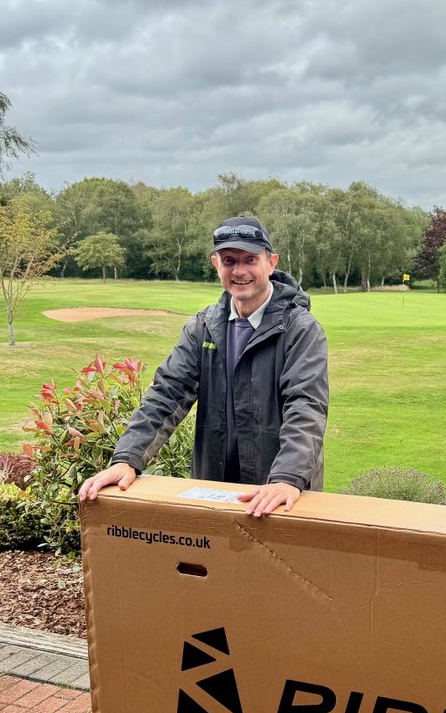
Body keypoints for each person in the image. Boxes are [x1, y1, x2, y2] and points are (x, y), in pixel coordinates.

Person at [79, 216, 328, 517]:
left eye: (250, 259)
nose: (239, 271)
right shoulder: (203, 327)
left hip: (281, 492)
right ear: (216, 264)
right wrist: (127, 458)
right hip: (216, 488)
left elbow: (305, 406)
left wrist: (287, 478)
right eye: (229, 260)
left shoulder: (300, 329)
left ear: (271, 262)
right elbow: (167, 393)